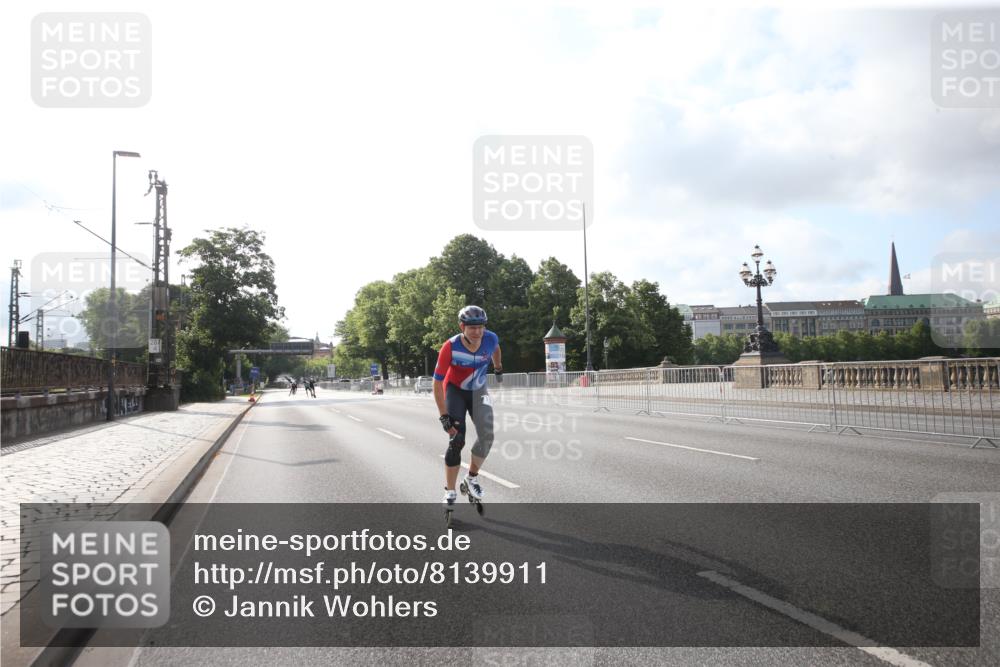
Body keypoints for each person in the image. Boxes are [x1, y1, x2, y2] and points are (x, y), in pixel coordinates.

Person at [433, 305, 503, 508]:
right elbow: (437, 383)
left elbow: (496, 349)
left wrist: (498, 367)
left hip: (478, 391)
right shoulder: (450, 346)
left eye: (481, 326)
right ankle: (450, 490)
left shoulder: (491, 338)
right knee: (457, 440)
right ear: (462, 326)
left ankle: (471, 478)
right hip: (454, 391)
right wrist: (443, 415)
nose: (477, 332)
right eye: (472, 327)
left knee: (487, 436)